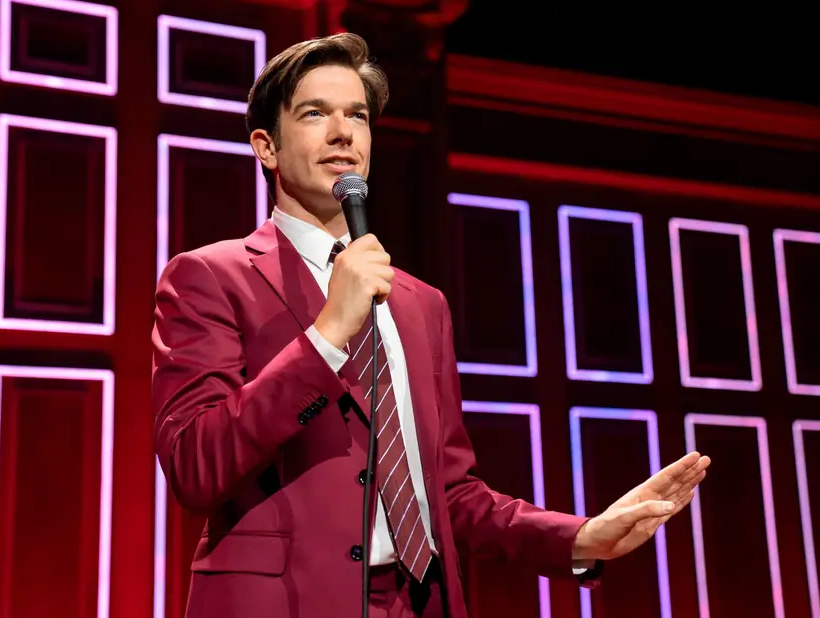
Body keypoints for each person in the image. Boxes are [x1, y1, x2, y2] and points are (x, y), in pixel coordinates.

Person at [151, 32, 711, 618]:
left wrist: (578, 538)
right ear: (265, 147)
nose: (343, 133)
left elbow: (448, 493)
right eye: (315, 114)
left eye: (358, 116)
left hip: (420, 603)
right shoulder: (208, 277)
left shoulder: (421, 304)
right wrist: (326, 336)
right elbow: (195, 463)